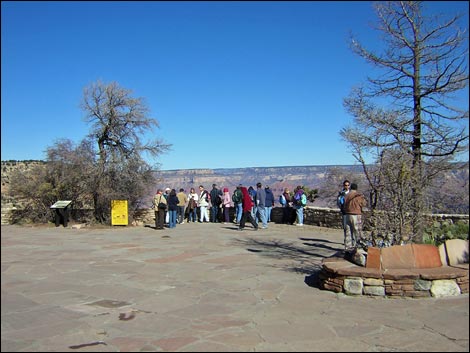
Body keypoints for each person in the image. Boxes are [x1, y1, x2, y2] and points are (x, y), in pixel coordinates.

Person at [343, 183, 367, 251]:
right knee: (357, 231)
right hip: (356, 214)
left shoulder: (347, 195)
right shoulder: (358, 196)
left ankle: (347, 247)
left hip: (347, 214)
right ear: (356, 188)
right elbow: (363, 204)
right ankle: (358, 246)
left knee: (348, 231)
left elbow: (344, 204)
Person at [337, 180, 351, 247]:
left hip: (351, 212)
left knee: (352, 227)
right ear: (343, 185)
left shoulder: (351, 193)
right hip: (345, 212)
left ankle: (351, 241)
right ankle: (346, 240)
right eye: (346, 185)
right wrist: (342, 208)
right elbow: (339, 202)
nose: (347, 186)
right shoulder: (341, 193)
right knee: (345, 227)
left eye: (348, 185)